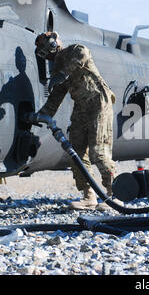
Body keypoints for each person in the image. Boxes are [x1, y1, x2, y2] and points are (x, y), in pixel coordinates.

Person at [34, 31, 117, 211]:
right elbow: (55, 97)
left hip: (98, 104)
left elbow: (83, 54)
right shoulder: (57, 68)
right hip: (81, 108)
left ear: (53, 42)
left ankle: (114, 194)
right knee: (76, 152)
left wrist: (63, 73)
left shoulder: (75, 51)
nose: (44, 51)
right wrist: (39, 115)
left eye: (44, 46)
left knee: (98, 152)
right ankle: (89, 196)